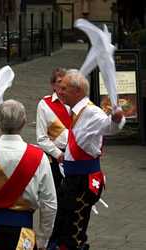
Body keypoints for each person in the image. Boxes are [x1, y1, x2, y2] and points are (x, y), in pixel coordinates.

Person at [0, 99, 57, 250]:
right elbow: (49, 204)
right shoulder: (39, 157)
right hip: (23, 234)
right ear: (24, 122)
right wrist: (42, 240)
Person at [51, 69, 125, 250]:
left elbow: (109, 126)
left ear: (77, 91)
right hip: (72, 179)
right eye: (59, 88)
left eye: (64, 88)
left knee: (74, 231)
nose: (60, 92)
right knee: (62, 225)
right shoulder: (75, 110)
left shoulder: (91, 112)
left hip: (83, 181)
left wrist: (116, 119)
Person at [36, 67, 71, 192]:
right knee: (55, 193)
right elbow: (41, 138)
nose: (63, 86)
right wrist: (58, 154)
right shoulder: (44, 105)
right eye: (59, 82)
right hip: (54, 157)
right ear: (53, 85)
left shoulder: (75, 102)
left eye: (66, 83)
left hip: (75, 155)